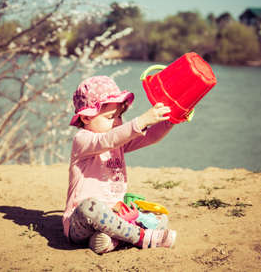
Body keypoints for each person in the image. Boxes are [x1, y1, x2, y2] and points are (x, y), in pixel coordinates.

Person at [63, 75, 177, 254]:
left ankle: (110, 241)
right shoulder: (82, 140)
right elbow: (107, 140)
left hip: (114, 218)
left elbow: (150, 137)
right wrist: (141, 121)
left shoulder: (117, 143)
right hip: (81, 223)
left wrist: (171, 119)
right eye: (110, 117)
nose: (117, 122)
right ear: (86, 118)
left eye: (120, 116)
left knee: (159, 218)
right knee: (90, 206)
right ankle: (141, 237)